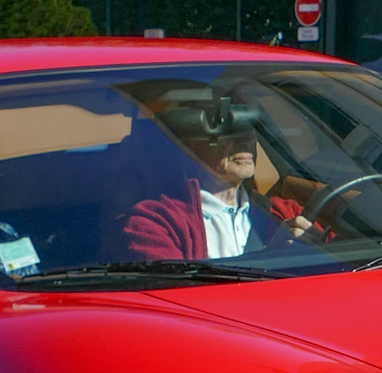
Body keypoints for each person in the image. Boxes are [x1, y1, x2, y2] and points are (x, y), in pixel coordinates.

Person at [119, 99, 317, 262]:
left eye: (250, 129)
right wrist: (270, 256)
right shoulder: (155, 223)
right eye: (227, 131)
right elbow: (175, 297)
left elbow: (341, 258)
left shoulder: (284, 213)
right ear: (189, 147)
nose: (246, 141)